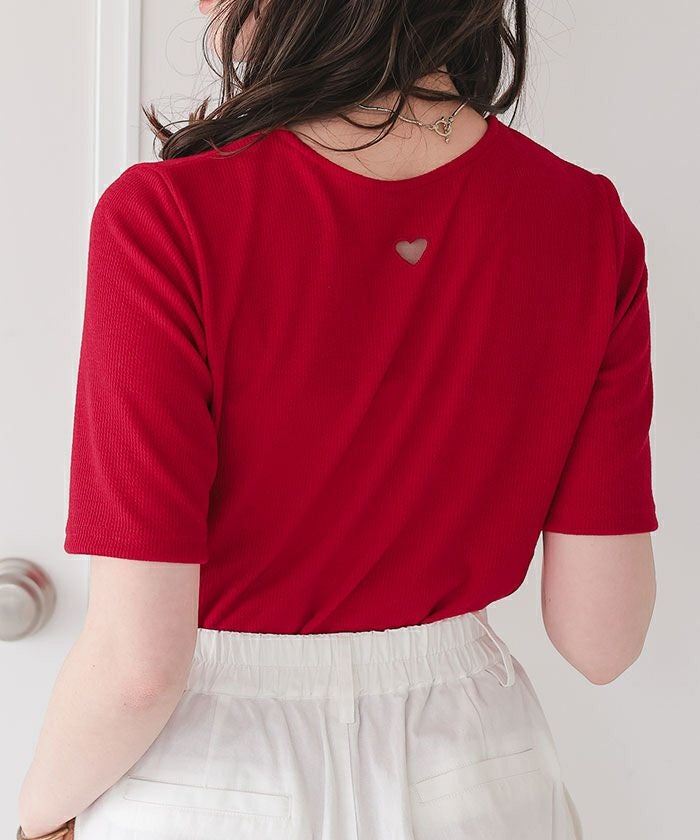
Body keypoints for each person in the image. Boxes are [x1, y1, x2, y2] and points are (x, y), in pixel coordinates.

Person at [16, 0, 658, 838]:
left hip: (215, 778)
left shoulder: (168, 218)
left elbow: (138, 670)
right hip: (477, 773)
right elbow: (603, 639)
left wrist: (37, 822)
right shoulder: (587, 220)